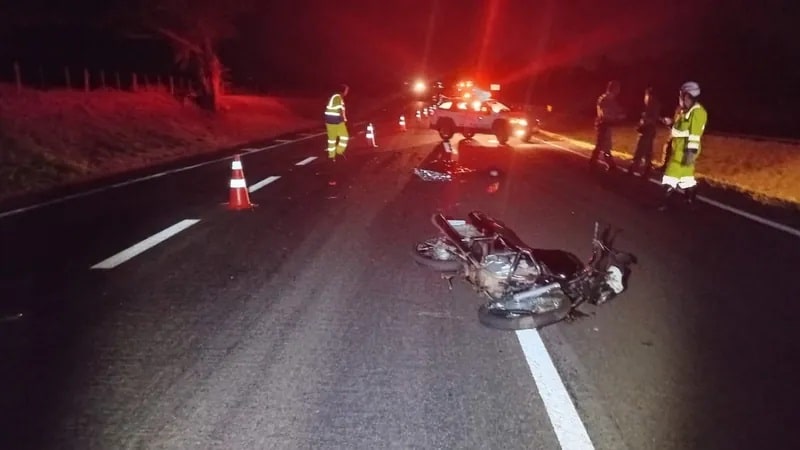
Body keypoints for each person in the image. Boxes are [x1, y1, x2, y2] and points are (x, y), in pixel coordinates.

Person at [657, 81, 708, 211]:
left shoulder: (698, 112)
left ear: (687, 96)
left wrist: (690, 152)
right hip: (679, 149)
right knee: (687, 178)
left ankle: (664, 204)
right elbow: (680, 128)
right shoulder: (684, 110)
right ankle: (690, 201)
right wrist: (670, 123)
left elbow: (695, 135)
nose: (680, 98)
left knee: (670, 177)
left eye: (681, 95)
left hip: (685, 151)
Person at [589, 80, 626, 171]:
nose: (619, 91)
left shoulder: (609, 99)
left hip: (605, 124)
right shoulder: (606, 99)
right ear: (614, 89)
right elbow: (605, 113)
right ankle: (597, 162)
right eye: (618, 88)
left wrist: (619, 115)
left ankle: (602, 162)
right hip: (604, 124)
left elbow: (616, 110)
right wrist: (617, 117)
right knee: (603, 145)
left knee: (604, 145)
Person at [628, 87, 661, 178]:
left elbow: (650, 119)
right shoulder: (654, 104)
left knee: (641, 149)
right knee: (648, 151)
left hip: (647, 130)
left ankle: (633, 168)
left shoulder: (652, 104)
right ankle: (647, 170)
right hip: (650, 130)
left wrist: (642, 124)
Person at [324, 84, 350, 161]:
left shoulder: (334, 96)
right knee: (344, 136)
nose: (347, 92)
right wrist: (344, 119)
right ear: (343, 91)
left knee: (332, 138)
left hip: (329, 119)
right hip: (336, 119)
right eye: (346, 90)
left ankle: (331, 156)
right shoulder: (338, 97)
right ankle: (339, 151)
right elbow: (341, 109)